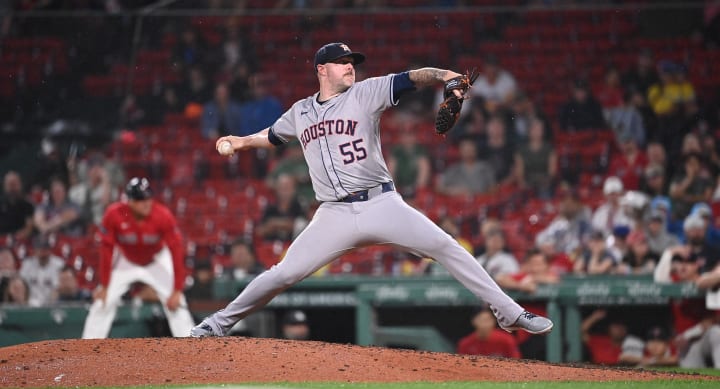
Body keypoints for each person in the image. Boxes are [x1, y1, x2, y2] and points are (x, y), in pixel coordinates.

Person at [191, 43, 553, 337]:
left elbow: (414, 77)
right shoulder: (300, 112)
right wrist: (241, 142)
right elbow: (272, 136)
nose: (350, 66)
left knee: (445, 246)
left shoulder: (367, 92)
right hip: (332, 213)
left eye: (351, 62)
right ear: (321, 70)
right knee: (283, 274)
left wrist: (446, 76)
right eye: (341, 62)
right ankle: (217, 324)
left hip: (381, 203)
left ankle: (509, 312)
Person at [81, 177, 195, 338]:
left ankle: (192, 345)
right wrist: (105, 285)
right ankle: (87, 347)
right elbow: (106, 250)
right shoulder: (114, 214)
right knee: (102, 301)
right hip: (126, 260)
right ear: (130, 201)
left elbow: (176, 250)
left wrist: (176, 289)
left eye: (148, 197)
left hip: (156, 260)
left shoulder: (162, 215)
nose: (147, 202)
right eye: (141, 199)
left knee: (178, 302)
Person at [256, 174, 306, 242]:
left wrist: (275, 224)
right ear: (277, 189)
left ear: (294, 190)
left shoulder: (299, 206)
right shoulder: (270, 208)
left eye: (287, 188)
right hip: (272, 246)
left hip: (293, 245)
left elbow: (302, 226)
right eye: (282, 188)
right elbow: (260, 231)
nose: (284, 191)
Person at [457, 306, 521, 358]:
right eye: (481, 320)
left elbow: (516, 362)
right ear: (473, 321)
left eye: (487, 320)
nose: (484, 324)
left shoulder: (506, 340)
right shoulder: (466, 344)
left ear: (494, 321)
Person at [19, 236, 65, 307]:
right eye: (40, 249)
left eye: (45, 249)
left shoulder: (59, 264)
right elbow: (22, 285)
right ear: (35, 250)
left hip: (52, 304)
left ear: (50, 250)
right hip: (29, 304)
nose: (43, 253)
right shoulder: (27, 264)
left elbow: (59, 287)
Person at [0, 171, 35, 241]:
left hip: (21, 242)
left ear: (20, 184)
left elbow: (29, 228)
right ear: (4, 186)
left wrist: (14, 238)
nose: (12, 188)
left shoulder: (27, 205)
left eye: (15, 184)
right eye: (10, 184)